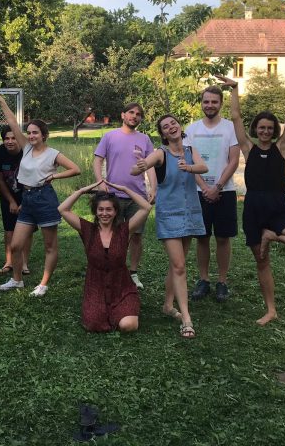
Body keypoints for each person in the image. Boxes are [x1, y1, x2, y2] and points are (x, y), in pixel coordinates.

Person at [216, 74, 285, 325]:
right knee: (262, 262)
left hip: (279, 211)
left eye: (269, 128)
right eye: (261, 127)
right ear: (256, 129)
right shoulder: (248, 148)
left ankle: (272, 235)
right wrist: (234, 90)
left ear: (275, 131)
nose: (265, 131)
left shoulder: (282, 147)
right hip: (254, 210)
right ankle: (271, 310)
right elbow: (236, 118)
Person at [0, 88, 81, 296]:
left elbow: (76, 169)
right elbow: (12, 122)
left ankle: (43, 284)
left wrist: (54, 176)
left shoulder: (53, 154)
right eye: (29, 132)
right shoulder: (27, 148)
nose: (31, 136)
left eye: (35, 133)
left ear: (44, 135)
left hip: (45, 198)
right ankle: (17, 280)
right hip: (27, 198)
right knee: (15, 246)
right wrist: (1, 100)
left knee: (50, 245)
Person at [131, 114, 208, 338]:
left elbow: (203, 167)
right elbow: (139, 168)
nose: (171, 127)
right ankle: (186, 318)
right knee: (180, 266)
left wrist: (189, 168)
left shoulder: (189, 150)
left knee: (177, 266)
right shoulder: (160, 153)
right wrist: (141, 166)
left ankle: (167, 305)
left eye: (173, 123)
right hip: (170, 215)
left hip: (190, 213)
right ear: (163, 134)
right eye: (165, 127)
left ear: (178, 127)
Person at [59, 180, 152, 332]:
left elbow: (146, 207)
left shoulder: (124, 230)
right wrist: (82, 190)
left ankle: (128, 305)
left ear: (115, 212)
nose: (104, 213)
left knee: (128, 326)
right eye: (100, 209)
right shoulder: (87, 229)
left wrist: (124, 188)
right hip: (96, 287)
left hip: (122, 287)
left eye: (109, 209)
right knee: (93, 324)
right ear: (95, 211)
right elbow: (63, 209)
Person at [185, 86, 240, 303]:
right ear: (201, 103)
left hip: (224, 191)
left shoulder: (230, 128)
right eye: (206, 101)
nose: (210, 105)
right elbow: (189, 163)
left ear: (221, 104)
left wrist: (217, 187)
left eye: (214, 102)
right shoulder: (191, 129)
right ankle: (204, 280)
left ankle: (222, 282)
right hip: (198, 191)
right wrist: (205, 187)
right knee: (202, 238)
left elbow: (234, 160)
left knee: (223, 238)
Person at [92, 102, 156, 290]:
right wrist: (100, 181)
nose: (134, 116)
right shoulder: (110, 137)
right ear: (123, 115)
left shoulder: (145, 139)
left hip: (138, 197)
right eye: (131, 112)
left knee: (136, 235)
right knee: (113, 236)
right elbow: (98, 160)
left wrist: (153, 187)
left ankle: (133, 273)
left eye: (138, 114)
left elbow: (149, 165)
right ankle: (111, 270)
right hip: (113, 196)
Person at [0, 125, 32, 275]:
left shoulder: (26, 152)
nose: (10, 141)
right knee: (9, 229)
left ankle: (24, 263)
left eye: (13, 138)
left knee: (27, 228)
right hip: (8, 194)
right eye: (6, 139)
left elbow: (33, 178)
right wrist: (11, 201)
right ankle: (9, 261)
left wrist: (24, 201)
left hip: (27, 194)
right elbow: (0, 180)